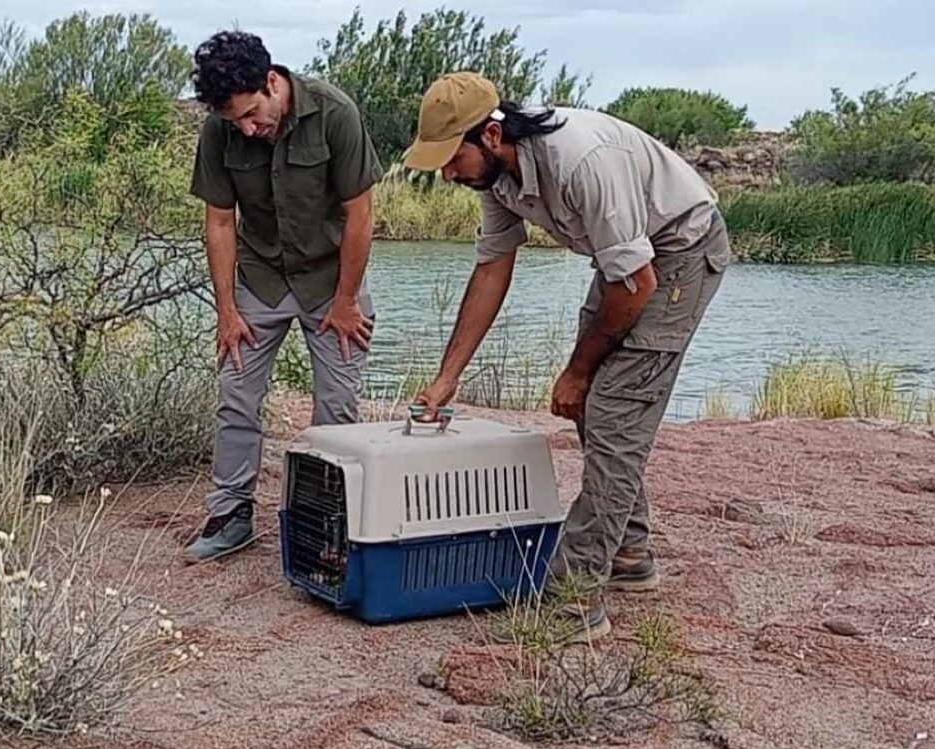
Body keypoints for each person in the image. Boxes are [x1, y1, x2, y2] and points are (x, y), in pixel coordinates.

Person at [405, 72, 730, 641]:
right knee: (594, 409)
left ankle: (572, 599)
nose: (447, 173)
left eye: (451, 158)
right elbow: (492, 269)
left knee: (613, 412)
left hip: (679, 251)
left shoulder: (581, 163)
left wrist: (577, 372)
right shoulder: (498, 177)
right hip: (631, 264)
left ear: (490, 135)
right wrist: (447, 378)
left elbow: (636, 286)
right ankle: (629, 555)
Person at [184, 31, 383, 562]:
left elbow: (362, 216)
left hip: (332, 280)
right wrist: (226, 310)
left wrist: (345, 303)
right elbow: (220, 222)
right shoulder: (220, 131)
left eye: (252, 114)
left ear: (272, 82)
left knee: (336, 408)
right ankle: (231, 514)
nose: (248, 128)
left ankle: (328, 526)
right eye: (236, 122)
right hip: (260, 278)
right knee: (236, 393)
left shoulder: (335, 111)